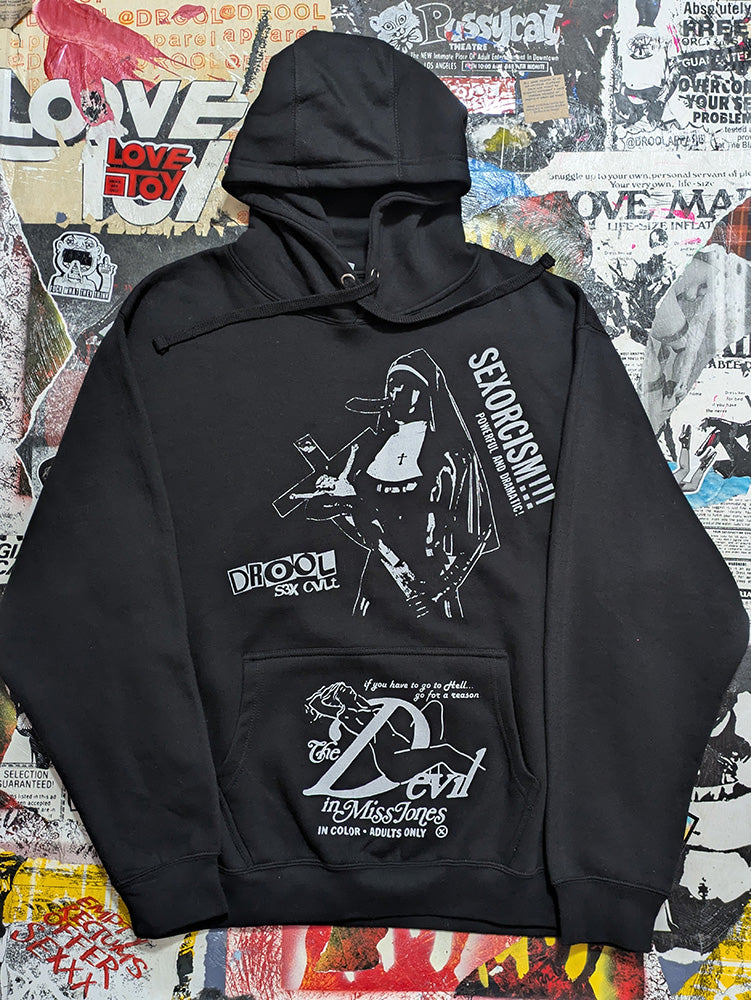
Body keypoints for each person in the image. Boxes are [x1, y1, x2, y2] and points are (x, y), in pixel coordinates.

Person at [295, 349, 500, 620]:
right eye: (391, 384)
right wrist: (343, 498)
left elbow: (477, 529)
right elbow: (366, 524)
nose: (394, 392)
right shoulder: (373, 449)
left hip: (428, 589)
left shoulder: (452, 455)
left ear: (425, 393)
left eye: (404, 385)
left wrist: (441, 587)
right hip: (378, 582)